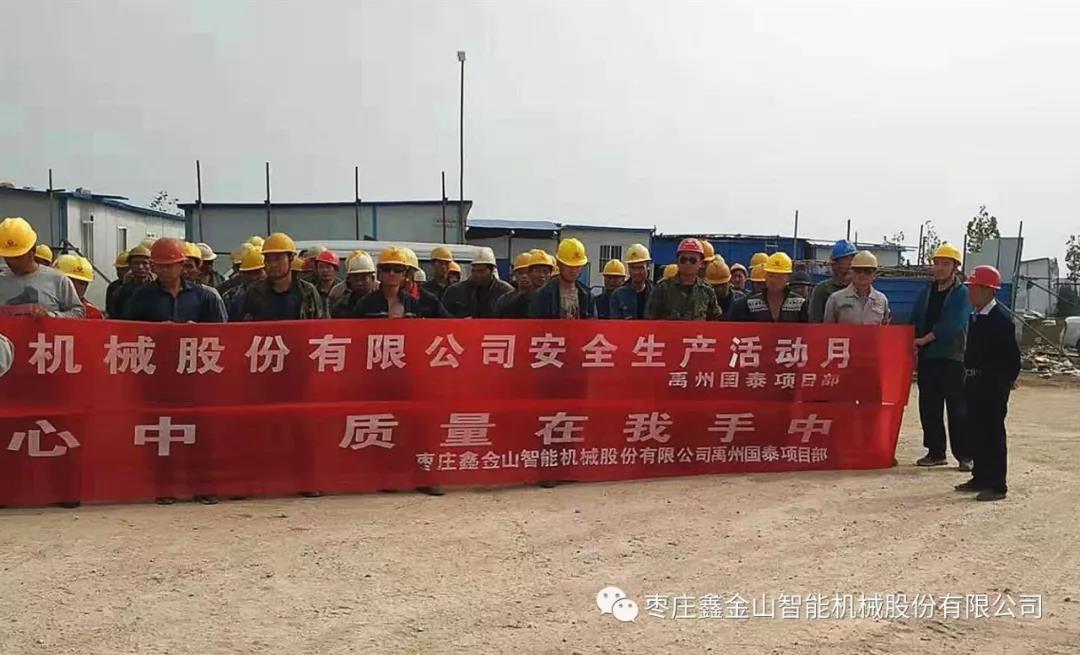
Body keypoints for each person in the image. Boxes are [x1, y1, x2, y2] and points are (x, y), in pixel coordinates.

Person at [954, 265, 1020, 502]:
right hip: (975, 384)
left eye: (973, 288)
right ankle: (980, 477)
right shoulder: (977, 315)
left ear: (988, 290)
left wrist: (1002, 383)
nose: (970, 292)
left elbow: (1012, 358)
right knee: (976, 431)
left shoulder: (1000, 320)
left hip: (992, 387)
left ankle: (997, 484)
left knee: (992, 433)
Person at [911, 243, 972, 469]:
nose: (939, 268)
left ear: (955, 267)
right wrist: (911, 338)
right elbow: (915, 317)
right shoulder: (926, 292)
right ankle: (936, 452)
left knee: (957, 407)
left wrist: (925, 339)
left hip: (952, 358)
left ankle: (965, 455)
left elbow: (953, 324)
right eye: (936, 263)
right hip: (928, 359)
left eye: (945, 264)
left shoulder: (962, 293)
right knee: (929, 406)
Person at [124, 237, 227, 323]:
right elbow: (130, 331)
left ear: (181, 265)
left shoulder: (205, 297)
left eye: (169, 266)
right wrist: (156, 330)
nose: (164, 271)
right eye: (160, 266)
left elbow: (219, 333)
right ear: (153, 266)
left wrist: (197, 330)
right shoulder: (141, 296)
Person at [0, 217, 84, 318]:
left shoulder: (58, 281)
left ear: (32, 251)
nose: (11, 262)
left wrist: (52, 316)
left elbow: (79, 313)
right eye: (7, 257)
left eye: (18, 257)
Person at [239, 232, 325, 321]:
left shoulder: (307, 292)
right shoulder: (254, 293)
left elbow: (319, 324)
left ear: (291, 258)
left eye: (278, 259)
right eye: (268, 259)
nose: (273, 264)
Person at [644, 238, 721, 321]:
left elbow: (714, 322)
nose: (687, 263)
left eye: (693, 260)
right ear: (677, 261)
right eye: (683, 260)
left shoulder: (707, 291)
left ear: (701, 263)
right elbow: (649, 319)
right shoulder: (662, 289)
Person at [529, 238, 597, 319]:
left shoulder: (587, 296)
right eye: (569, 266)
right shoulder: (542, 296)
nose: (573, 270)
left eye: (577, 266)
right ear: (559, 263)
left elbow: (593, 324)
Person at [442, 247, 513, 317]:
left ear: (491, 271)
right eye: (474, 271)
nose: (477, 275)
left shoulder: (506, 292)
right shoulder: (455, 291)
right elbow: (444, 318)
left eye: (481, 271)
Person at [822, 251, 891, 325]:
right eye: (858, 271)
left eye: (867, 271)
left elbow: (885, 327)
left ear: (874, 274)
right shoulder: (835, 299)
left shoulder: (882, 300)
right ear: (852, 272)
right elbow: (827, 329)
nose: (862, 275)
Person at [742, 252, 808, 322]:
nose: (774, 281)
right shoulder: (750, 303)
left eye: (779, 277)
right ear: (765, 277)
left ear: (788, 278)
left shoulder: (800, 303)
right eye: (771, 276)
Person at [809, 239, 857, 322]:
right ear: (835, 264)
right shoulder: (823, 290)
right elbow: (814, 321)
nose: (851, 263)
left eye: (853, 258)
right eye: (846, 259)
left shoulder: (860, 288)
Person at [610, 243, 654, 319]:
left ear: (648, 267)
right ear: (628, 268)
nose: (636, 272)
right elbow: (615, 323)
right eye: (633, 268)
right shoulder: (618, 296)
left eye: (640, 267)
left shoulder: (655, 294)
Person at [108, 244, 153, 318]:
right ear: (130, 265)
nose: (140, 267)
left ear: (151, 265)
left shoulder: (159, 291)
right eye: (136, 263)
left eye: (145, 263)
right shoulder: (120, 293)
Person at [402, 248, 448, 318]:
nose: (393, 274)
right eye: (387, 269)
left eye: (398, 270)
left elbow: (448, 321)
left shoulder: (430, 300)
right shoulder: (384, 300)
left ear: (413, 272)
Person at [54, 254, 103, 319]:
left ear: (86, 286)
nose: (72, 286)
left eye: (81, 283)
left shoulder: (92, 314)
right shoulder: (42, 308)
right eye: (68, 281)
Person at [224, 248, 267, 321]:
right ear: (241, 274)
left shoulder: (278, 293)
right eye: (249, 273)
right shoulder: (233, 298)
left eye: (257, 272)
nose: (253, 277)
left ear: (266, 271)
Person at [332, 252, 377, 318]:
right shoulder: (340, 307)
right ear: (349, 280)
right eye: (355, 278)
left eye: (363, 278)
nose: (359, 283)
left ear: (372, 279)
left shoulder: (383, 304)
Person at [312, 249, 341, 315]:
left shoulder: (343, 290)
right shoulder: (312, 291)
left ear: (335, 269)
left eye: (328, 267)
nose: (324, 270)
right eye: (321, 267)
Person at [105, 250, 129, 315]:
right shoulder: (112, 287)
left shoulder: (140, 287)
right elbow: (109, 311)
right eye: (118, 269)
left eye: (123, 269)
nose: (119, 272)